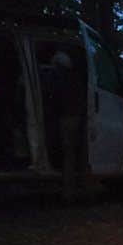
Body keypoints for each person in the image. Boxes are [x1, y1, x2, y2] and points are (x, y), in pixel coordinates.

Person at [48, 49, 90, 201]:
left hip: (66, 118)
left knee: (69, 155)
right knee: (82, 154)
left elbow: (55, 99)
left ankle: (69, 192)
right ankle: (84, 188)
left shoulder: (58, 78)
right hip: (79, 117)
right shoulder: (76, 78)